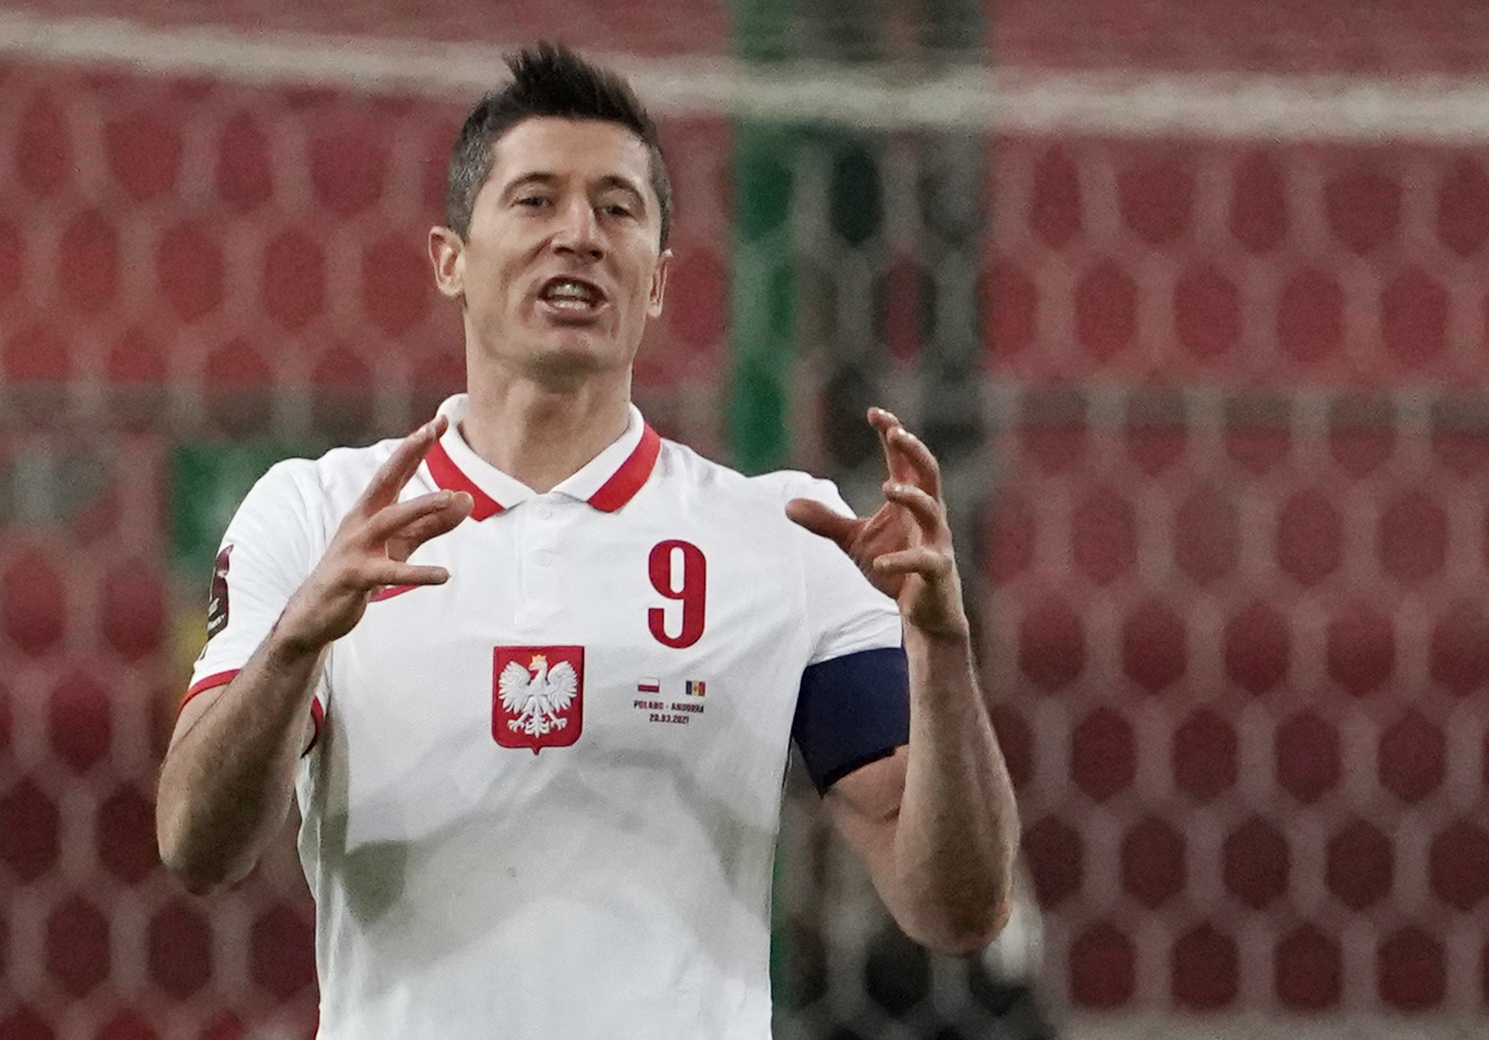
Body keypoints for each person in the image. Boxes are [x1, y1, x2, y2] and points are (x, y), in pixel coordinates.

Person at [155, 43, 1018, 1040]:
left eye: (618, 208)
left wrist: (943, 658)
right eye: (533, 200)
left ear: (655, 281)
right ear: (450, 260)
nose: (579, 234)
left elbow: (955, 909)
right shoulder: (314, 514)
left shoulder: (786, 535)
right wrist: (298, 641)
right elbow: (196, 846)